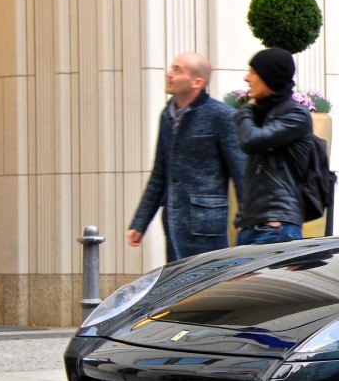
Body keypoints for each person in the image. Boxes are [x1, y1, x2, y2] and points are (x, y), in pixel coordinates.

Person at [128, 52, 245, 262]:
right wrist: (140, 223)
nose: (169, 74)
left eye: (177, 70)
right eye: (171, 67)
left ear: (197, 82)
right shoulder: (167, 115)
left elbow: (240, 172)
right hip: (174, 222)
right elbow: (159, 173)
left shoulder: (222, 116)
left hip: (207, 223)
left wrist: (245, 219)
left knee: (208, 287)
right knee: (180, 289)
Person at [233, 47, 314, 245]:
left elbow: (251, 141)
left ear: (269, 76)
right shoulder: (263, 115)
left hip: (275, 228)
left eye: (253, 72)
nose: (246, 78)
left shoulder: (295, 115)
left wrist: (245, 110)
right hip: (253, 226)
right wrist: (242, 219)